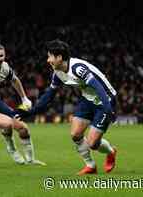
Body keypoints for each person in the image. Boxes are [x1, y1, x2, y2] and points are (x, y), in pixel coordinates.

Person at [18, 39, 117, 175]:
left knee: (93, 143)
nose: (48, 60)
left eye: (50, 56)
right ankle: (90, 166)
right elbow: (49, 96)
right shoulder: (58, 72)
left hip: (105, 100)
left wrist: (107, 108)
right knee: (75, 134)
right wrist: (30, 112)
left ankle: (111, 151)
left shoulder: (78, 69)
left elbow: (98, 87)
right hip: (87, 100)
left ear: (59, 57)